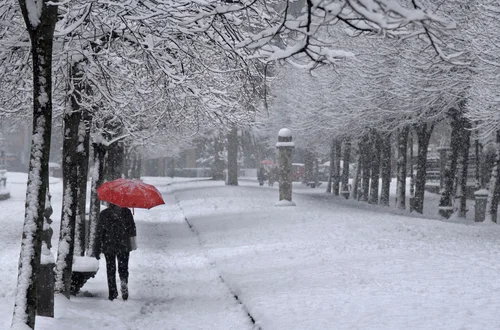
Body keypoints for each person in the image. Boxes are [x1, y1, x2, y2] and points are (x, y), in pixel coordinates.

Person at [93, 203, 137, 301]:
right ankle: (124, 281)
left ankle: (112, 292)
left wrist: (97, 248)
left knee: (110, 269)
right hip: (124, 245)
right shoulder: (126, 212)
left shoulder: (104, 214)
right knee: (123, 267)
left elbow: (99, 232)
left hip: (109, 246)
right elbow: (132, 229)